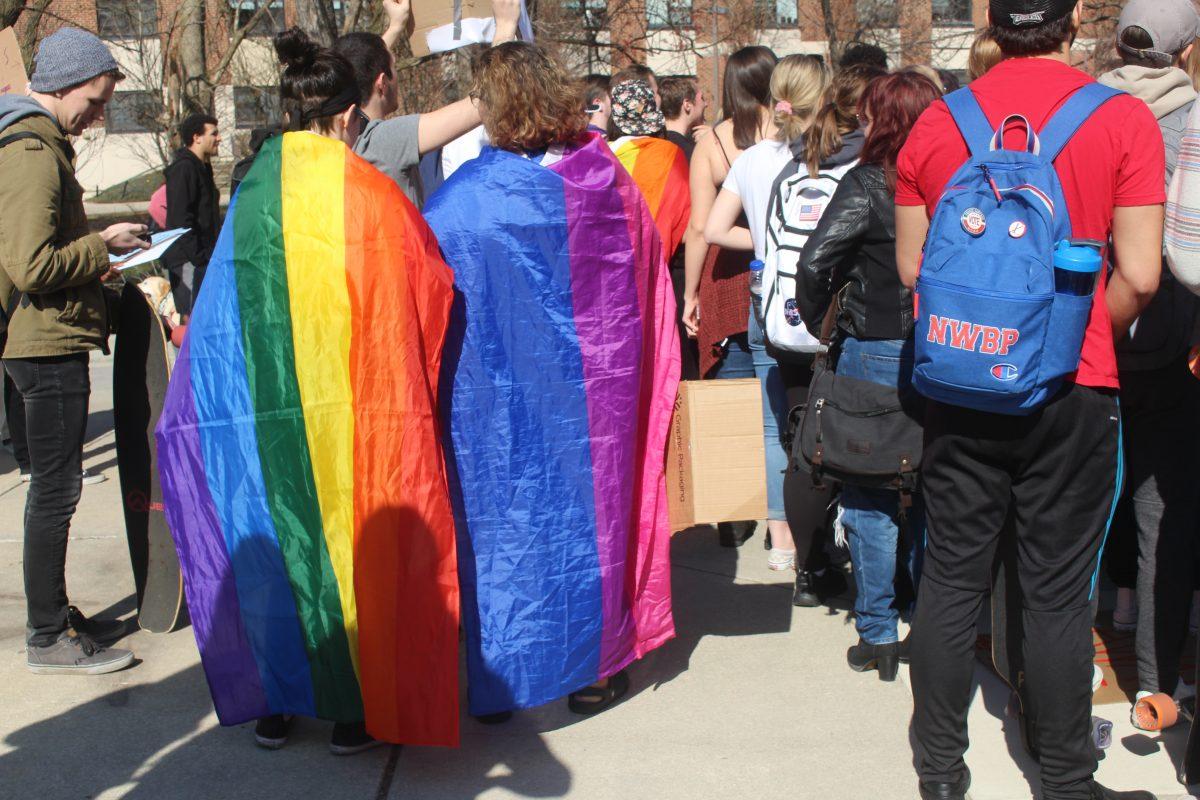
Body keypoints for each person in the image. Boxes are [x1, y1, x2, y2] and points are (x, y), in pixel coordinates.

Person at [160, 26, 460, 757]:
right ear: (349, 117)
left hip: (266, 403)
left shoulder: (255, 188)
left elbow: (225, 300)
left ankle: (277, 701)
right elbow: (426, 282)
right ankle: (352, 708)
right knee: (349, 549)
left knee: (272, 541)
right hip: (353, 405)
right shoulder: (366, 190)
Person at [895, 1, 1165, 798]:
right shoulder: (1121, 120)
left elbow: (916, 271)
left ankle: (941, 773)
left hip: (962, 381)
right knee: (1054, 592)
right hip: (1074, 388)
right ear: (1076, 15)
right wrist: (1069, 337)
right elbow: (1142, 274)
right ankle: (1068, 778)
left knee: (951, 579)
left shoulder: (940, 121)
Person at [424, 41, 679, 723]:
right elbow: (645, 278)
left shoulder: (466, 200)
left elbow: (425, 286)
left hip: (497, 401)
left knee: (503, 527)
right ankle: (590, 672)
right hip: (596, 395)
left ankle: (502, 676)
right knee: (593, 522)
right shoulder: (606, 179)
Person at [0, 27, 153, 675]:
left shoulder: (37, 143)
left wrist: (95, 263)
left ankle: (55, 615)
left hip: (46, 338)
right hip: (46, 345)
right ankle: (45, 637)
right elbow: (31, 264)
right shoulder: (32, 150)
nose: (97, 116)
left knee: (53, 490)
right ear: (62, 85)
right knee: (57, 492)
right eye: (94, 100)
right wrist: (105, 246)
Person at [797, 71, 939, 680]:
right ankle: (930, 619)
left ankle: (879, 632)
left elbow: (815, 262)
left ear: (882, 119)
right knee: (936, 490)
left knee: (870, 493)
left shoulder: (869, 182)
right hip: (948, 348)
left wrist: (823, 323)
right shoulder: (957, 178)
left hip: (876, 347)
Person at [1102, 0, 1200, 727]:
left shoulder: (1083, 110)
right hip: (1168, 334)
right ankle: (1158, 678)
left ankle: (1108, 616)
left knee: (1086, 495)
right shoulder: (1188, 121)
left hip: (1089, 332)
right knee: (1160, 503)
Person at [703, 55, 828, 572]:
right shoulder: (828, 160)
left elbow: (711, 230)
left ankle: (782, 538)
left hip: (767, 303)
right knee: (825, 418)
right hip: (823, 306)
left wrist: (768, 245)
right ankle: (825, 538)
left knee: (772, 422)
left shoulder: (753, 161)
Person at [780, 63, 880, 606]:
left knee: (807, 446)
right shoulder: (871, 167)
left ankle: (808, 568)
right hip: (849, 327)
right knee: (865, 447)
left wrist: (808, 315)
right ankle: (875, 583)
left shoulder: (791, 159)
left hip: (791, 327)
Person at [682, 45, 777, 549]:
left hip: (726, 280)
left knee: (730, 394)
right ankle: (783, 521)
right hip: (782, 277)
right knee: (777, 399)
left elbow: (700, 227)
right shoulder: (793, 136)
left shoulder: (713, 143)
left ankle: (735, 513)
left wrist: (690, 292)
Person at [333, 0, 521, 206]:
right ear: (382, 83)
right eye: (394, 67)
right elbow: (483, 103)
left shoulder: (334, 131)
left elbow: (351, 69)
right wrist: (504, 29)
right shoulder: (385, 141)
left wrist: (395, 27)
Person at [163, 113, 221, 318]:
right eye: (213, 133)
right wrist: (200, 258)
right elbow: (179, 221)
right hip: (187, 260)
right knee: (193, 319)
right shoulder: (184, 169)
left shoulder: (203, 167)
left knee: (206, 316)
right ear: (197, 137)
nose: (219, 138)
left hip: (204, 258)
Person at [660, 75, 707, 161]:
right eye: (702, 98)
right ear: (687, 105)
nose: (706, 104)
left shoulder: (653, 143)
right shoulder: (692, 154)